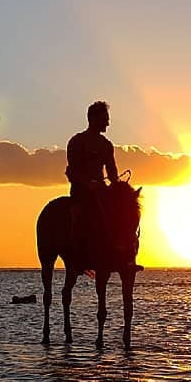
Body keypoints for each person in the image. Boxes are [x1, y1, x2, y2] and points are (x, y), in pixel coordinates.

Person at [66, 100, 120, 261]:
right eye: (105, 118)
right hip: (80, 191)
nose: (108, 123)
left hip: (101, 190)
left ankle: (123, 253)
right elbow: (72, 170)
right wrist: (88, 184)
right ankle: (77, 256)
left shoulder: (106, 145)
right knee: (79, 216)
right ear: (93, 118)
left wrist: (118, 187)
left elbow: (112, 172)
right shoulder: (76, 141)